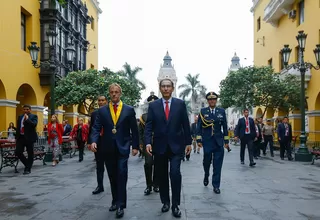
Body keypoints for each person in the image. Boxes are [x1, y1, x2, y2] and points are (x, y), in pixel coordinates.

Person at [90, 83, 139, 219]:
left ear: (120, 93)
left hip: (123, 148)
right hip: (107, 148)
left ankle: (120, 205)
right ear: (109, 93)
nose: (114, 94)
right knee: (112, 176)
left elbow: (134, 130)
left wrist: (135, 146)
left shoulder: (128, 110)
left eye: (116, 92)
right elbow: (96, 127)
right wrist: (93, 140)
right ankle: (114, 200)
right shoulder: (103, 111)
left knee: (122, 174)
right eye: (112, 92)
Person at [144, 79, 192, 218]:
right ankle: (165, 202)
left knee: (175, 174)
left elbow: (185, 124)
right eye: (163, 86)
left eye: (168, 86)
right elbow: (148, 126)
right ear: (160, 88)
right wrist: (147, 142)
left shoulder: (180, 104)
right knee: (162, 175)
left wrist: (188, 142)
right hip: (159, 147)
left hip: (177, 146)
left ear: (172, 88)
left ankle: (175, 205)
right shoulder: (153, 106)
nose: (165, 88)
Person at [196, 92, 229, 194]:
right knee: (207, 161)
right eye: (210, 99)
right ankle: (206, 174)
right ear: (207, 101)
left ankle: (216, 185)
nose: (212, 101)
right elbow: (199, 127)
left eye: (214, 99)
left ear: (216, 100)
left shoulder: (221, 111)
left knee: (217, 164)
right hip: (207, 141)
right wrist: (198, 140)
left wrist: (226, 141)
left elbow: (225, 126)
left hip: (219, 142)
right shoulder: (203, 111)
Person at [139, 94, 160, 195]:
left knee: (158, 164)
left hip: (159, 143)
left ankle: (156, 184)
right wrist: (140, 143)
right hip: (148, 143)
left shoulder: (162, 115)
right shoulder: (144, 117)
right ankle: (148, 185)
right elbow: (140, 132)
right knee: (148, 163)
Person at [88, 95, 108, 195]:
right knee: (99, 165)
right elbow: (92, 128)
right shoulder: (94, 114)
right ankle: (100, 186)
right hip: (98, 143)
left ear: (106, 101)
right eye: (99, 100)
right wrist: (90, 142)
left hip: (109, 143)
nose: (100, 102)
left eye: (102, 100)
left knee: (111, 166)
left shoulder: (110, 112)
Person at [15, 105, 38, 174]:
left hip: (29, 138)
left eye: (27, 109)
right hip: (21, 137)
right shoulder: (20, 117)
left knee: (30, 153)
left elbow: (34, 125)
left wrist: (28, 119)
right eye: (24, 109)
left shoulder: (33, 116)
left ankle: (27, 169)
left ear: (30, 110)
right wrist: (17, 137)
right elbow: (19, 127)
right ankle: (27, 165)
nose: (26, 110)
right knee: (18, 152)